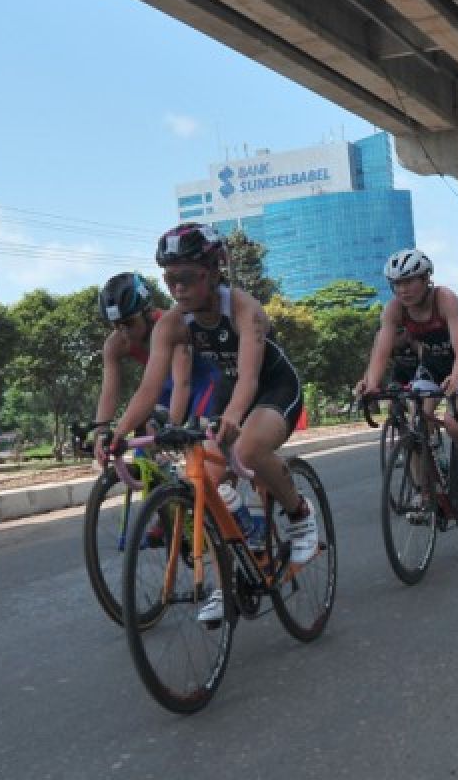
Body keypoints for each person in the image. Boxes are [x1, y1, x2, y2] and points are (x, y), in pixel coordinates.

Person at [104, 224, 317, 622]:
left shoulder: (243, 309)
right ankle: (225, 585)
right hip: (229, 391)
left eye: (187, 277)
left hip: (272, 387)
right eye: (170, 279)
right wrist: (115, 435)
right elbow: (148, 390)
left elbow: (251, 377)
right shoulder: (171, 324)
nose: (178, 288)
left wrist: (233, 419)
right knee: (203, 484)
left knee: (249, 449)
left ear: (214, 272)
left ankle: (300, 516)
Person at [357, 248, 458, 504]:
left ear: (426, 278)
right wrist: (372, 384)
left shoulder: (445, 299)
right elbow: (381, 351)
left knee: (453, 423)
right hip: (430, 367)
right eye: (397, 284)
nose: (403, 290)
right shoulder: (394, 309)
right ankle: (425, 491)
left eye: (409, 281)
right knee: (416, 423)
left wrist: (455, 377)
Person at [93, 272, 222, 462]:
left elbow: (182, 384)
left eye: (128, 323)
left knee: (197, 447)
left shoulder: (171, 327)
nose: (124, 332)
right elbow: (109, 394)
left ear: (148, 312)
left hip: (202, 383)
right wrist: (101, 434)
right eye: (116, 326)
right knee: (147, 437)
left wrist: (172, 428)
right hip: (165, 387)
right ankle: (163, 485)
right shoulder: (114, 345)